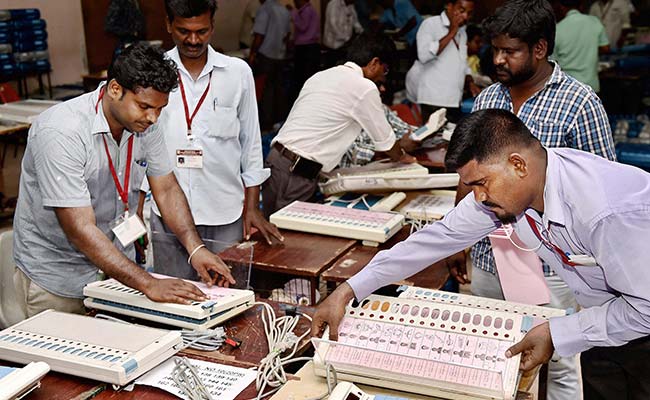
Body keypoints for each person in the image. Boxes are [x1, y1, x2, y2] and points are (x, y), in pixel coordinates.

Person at [312, 109, 650, 400]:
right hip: (606, 322)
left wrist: (557, 333)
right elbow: (437, 238)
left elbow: (645, 309)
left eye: (481, 183)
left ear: (517, 165)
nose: (478, 197)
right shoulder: (514, 188)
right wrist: (350, 288)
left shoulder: (607, 212)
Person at [445, 1, 617, 398]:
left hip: (552, 267)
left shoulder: (580, 103)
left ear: (539, 49)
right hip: (490, 259)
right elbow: (469, 174)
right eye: (495, 50)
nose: (499, 59)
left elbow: (600, 187)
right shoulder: (489, 98)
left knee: (557, 363)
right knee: (492, 355)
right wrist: (458, 241)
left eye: (511, 51)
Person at [11, 43, 235, 320]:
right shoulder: (62, 132)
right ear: (115, 89)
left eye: (160, 109)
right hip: (58, 279)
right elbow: (79, 228)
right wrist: (148, 283)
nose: (153, 117)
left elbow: (165, 188)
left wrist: (196, 248)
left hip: (115, 273)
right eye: (144, 106)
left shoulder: (144, 124)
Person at [138, 0, 282, 281]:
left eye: (202, 31)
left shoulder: (237, 73)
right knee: (172, 296)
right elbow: (140, 143)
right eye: (183, 31)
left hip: (225, 211)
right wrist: (138, 204)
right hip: (167, 213)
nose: (193, 40)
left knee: (227, 296)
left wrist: (252, 207)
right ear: (168, 25)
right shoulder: (153, 74)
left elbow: (251, 143)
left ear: (212, 27)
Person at [262, 33, 417, 217]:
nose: (382, 80)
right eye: (384, 71)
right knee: (287, 237)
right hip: (296, 174)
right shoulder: (364, 87)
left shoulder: (322, 75)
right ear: (374, 63)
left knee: (275, 234)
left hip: (279, 162)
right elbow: (387, 144)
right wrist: (405, 158)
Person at [405, 0, 481, 123]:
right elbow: (424, 56)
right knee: (430, 138)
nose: (465, 16)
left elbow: (462, 62)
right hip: (432, 99)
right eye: (461, 11)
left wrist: (470, 82)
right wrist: (451, 32)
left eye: (469, 13)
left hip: (454, 99)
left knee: (449, 137)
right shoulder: (430, 24)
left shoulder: (462, 32)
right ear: (449, 6)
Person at [249, 0, 291, 132]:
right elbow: (287, 35)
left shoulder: (265, 9)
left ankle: (265, 123)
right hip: (280, 55)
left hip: (266, 55)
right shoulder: (284, 10)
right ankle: (278, 121)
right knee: (278, 88)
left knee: (265, 89)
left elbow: (259, 35)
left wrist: (252, 54)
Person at [553, 0, 610, 92]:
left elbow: (552, 63)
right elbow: (606, 48)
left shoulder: (557, 30)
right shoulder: (594, 22)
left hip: (568, 88)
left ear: (561, 7)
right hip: (591, 86)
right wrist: (589, 50)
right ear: (581, 6)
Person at [323, 0, 363, 68]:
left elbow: (355, 22)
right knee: (331, 68)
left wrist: (362, 32)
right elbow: (333, 25)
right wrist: (346, 38)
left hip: (345, 45)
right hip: (333, 45)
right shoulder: (334, 4)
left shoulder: (351, 6)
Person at [291, 0, 321, 92]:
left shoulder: (307, 10)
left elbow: (303, 26)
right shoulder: (311, 10)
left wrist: (293, 13)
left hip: (306, 48)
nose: (294, 2)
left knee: (303, 78)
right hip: (310, 47)